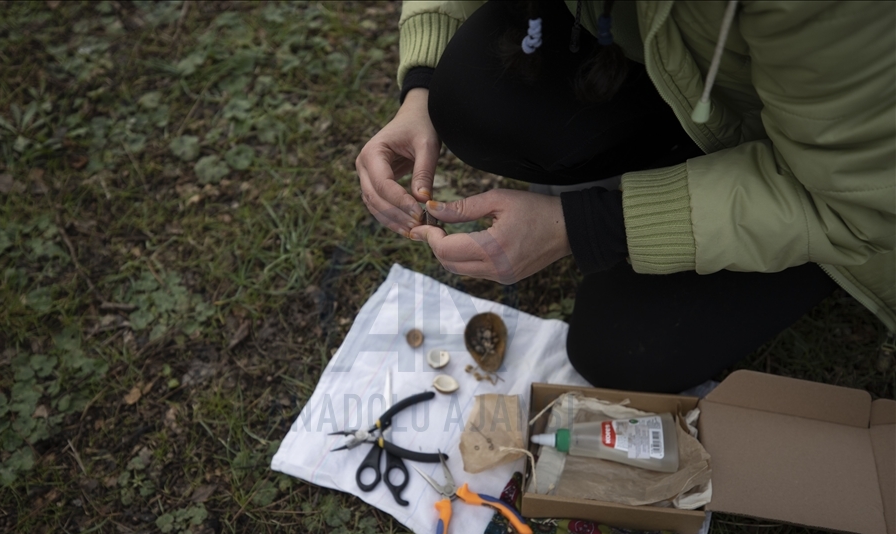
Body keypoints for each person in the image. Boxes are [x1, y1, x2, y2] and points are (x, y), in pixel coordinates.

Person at [356, 0, 895, 393]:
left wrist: (589, 224)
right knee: (475, 98)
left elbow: (855, 199)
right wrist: (421, 89)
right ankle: (673, 154)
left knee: (621, 354)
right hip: (702, 75)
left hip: (846, 187)